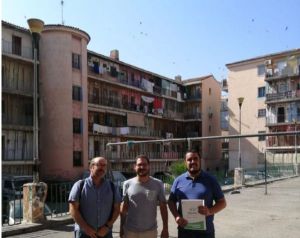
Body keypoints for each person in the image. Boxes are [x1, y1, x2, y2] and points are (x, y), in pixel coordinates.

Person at [168, 150, 226, 238]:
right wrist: (176, 216)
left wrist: (209, 211)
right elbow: (171, 201)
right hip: (184, 232)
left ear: (200, 161)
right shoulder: (178, 180)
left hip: (206, 233)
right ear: (185, 162)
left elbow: (222, 202)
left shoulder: (211, 180)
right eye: (189, 159)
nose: (193, 162)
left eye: (195, 159)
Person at [69, 157, 122, 238]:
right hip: (84, 234)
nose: (102, 168)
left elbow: (117, 209)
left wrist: (107, 227)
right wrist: (86, 228)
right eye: (99, 165)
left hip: (105, 233)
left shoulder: (112, 187)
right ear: (91, 167)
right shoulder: (80, 185)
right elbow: (73, 210)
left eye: (104, 165)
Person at [120, 155, 169, 238]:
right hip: (130, 231)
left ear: (149, 166)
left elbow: (163, 207)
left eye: (144, 164)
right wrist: (121, 227)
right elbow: (124, 207)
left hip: (150, 232)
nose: (142, 167)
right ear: (135, 167)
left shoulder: (158, 184)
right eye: (139, 165)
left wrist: (165, 228)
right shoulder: (127, 184)